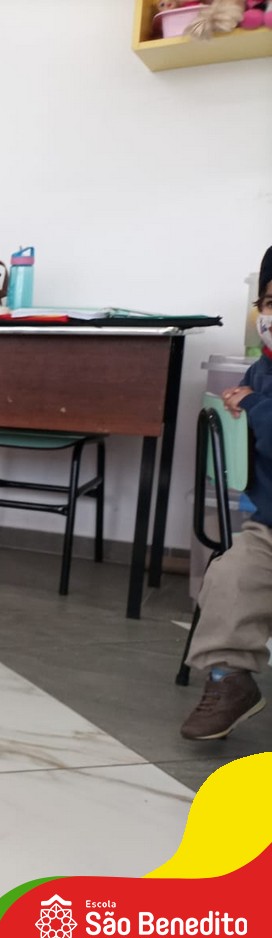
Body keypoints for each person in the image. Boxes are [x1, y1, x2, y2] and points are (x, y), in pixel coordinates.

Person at [179, 246, 272, 741]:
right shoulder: (261, 371)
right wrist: (241, 409)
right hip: (269, 527)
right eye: (271, 303)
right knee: (229, 576)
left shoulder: (259, 388)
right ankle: (228, 680)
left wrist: (253, 407)